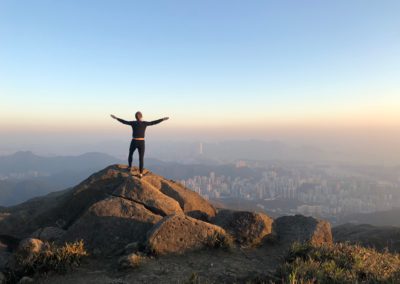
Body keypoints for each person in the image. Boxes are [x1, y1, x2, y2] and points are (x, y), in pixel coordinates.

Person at [110, 112, 169, 177]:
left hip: (134, 141)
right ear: (141, 116)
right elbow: (154, 122)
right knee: (141, 158)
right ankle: (141, 173)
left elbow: (124, 122)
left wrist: (116, 118)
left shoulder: (133, 123)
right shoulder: (144, 123)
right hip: (141, 142)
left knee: (130, 154)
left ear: (135, 117)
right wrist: (163, 119)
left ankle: (130, 167)